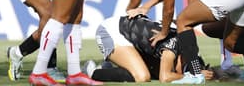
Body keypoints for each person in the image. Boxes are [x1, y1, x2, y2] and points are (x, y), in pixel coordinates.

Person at [84, 15, 213, 83]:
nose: (179, 69)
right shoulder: (175, 44)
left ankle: (109, 69)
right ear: (182, 58)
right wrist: (186, 76)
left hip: (128, 34)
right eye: (184, 67)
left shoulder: (185, 46)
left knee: (154, 72)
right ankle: (92, 72)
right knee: (142, 76)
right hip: (111, 31)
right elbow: (165, 78)